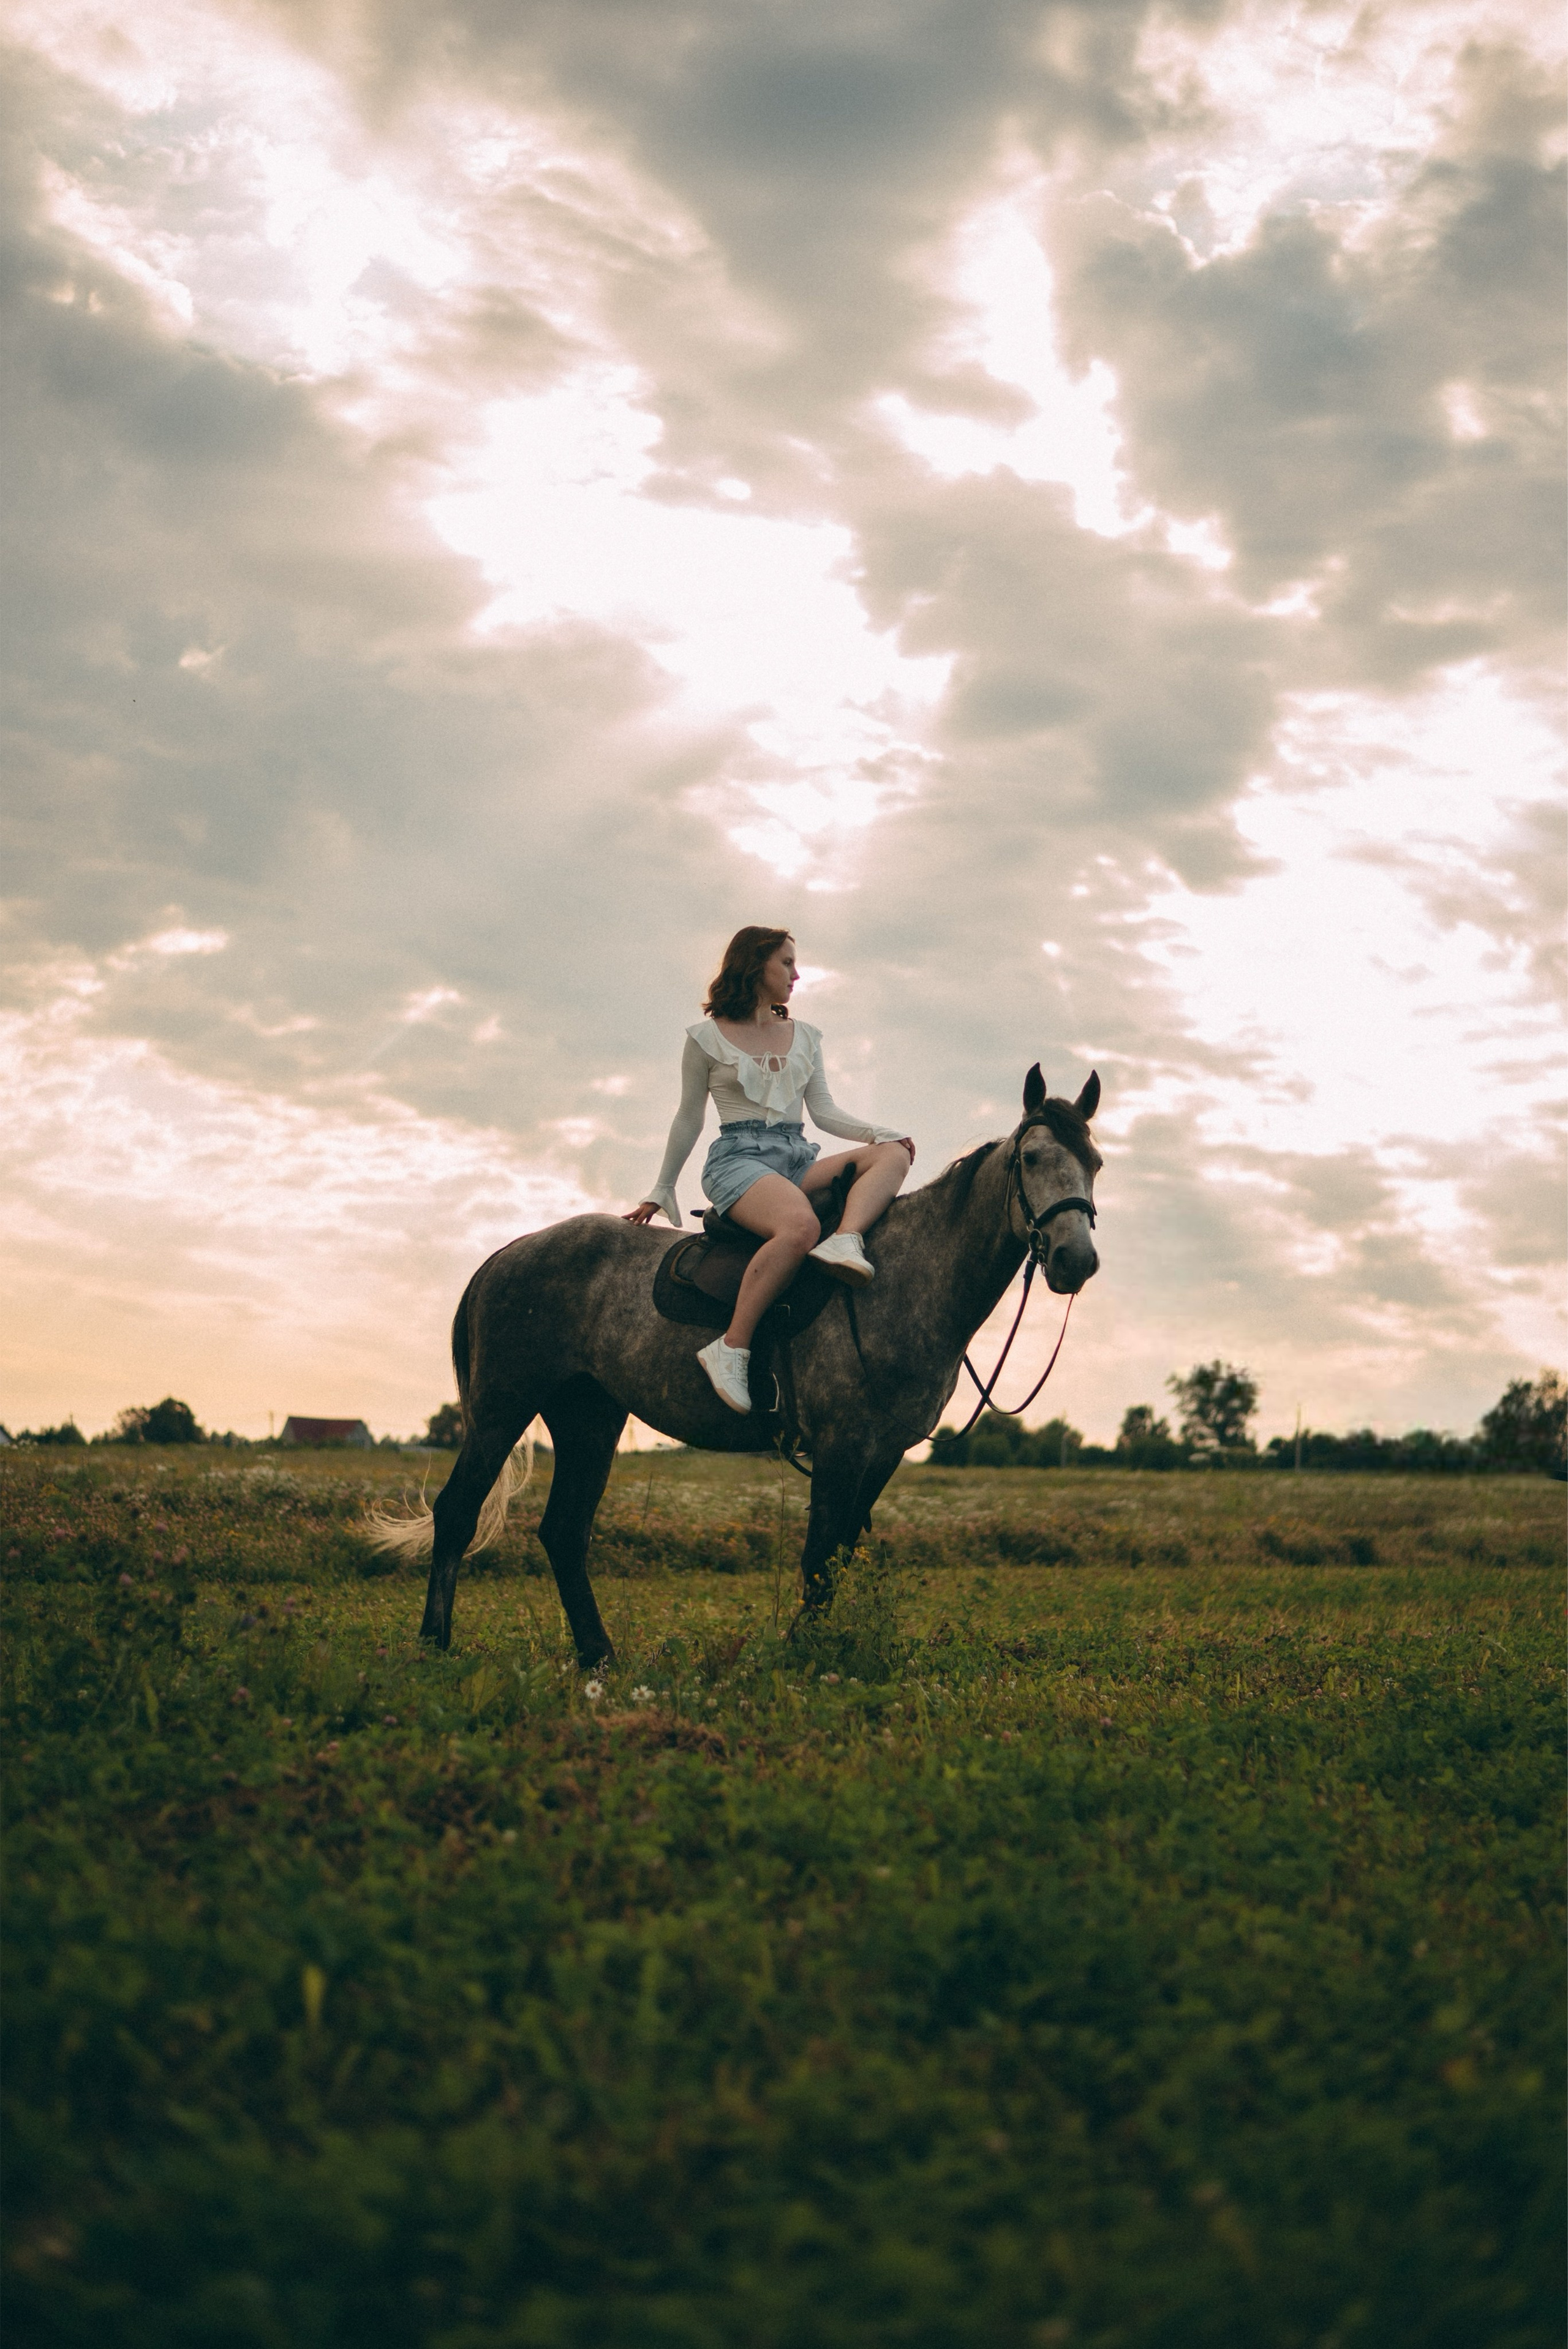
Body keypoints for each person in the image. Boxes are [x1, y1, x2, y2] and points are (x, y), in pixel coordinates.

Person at [624, 927, 914, 1414]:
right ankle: (731, 1347)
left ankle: (847, 1238)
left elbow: (823, 1111)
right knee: (799, 1225)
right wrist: (662, 1187)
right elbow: (689, 1116)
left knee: (893, 1156)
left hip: (795, 1157)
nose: (796, 974)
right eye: (786, 963)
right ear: (755, 964)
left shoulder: (805, 1036)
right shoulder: (705, 1039)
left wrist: (884, 1133)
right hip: (737, 1162)